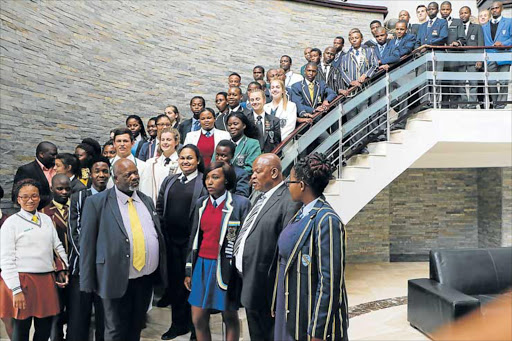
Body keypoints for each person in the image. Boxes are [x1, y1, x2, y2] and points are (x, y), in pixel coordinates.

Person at [80, 158, 167, 341]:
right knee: (115, 329)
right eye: (128, 174)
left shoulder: (146, 200)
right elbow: (87, 244)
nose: (134, 177)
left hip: (145, 279)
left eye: (135, 172)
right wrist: (87, 282)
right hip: (114, 277)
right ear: (115, 178)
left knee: (136, 326)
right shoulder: (96, 203)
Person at [272, 153, 348, 341]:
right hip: (290, 309)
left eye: (290, 182)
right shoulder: (302, 212)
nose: (287, 186)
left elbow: (330, 282)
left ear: (302, 185)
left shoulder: (327, 220)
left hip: (306, 320)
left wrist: (318, 331)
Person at [234, 154, 300, 341]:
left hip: (266, 287)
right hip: (250, 280)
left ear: (273, 172)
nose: (252, 176)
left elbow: (286, 249)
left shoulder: (289, 200)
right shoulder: (260, 197)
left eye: (257, 171)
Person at [185, 161, 251, 341]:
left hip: (225, 266)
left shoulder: (241, 204)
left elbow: (244, 242)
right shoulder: (201, 203)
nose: (209, 182)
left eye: (215, 177)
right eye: (207, 177)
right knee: (198, 318)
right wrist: (189, 270)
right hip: (202, 266)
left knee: (229, 316)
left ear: (227, 180)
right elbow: (193, 238)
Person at [1, 179, 69, 341]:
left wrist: (64, 268)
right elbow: (6, 259)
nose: (30, 200)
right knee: (21, 329)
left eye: (34, 196)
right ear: (18, 199)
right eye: (24, 197)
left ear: (40, 197)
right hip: (22, 281)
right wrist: (16, 290)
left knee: (44, 328)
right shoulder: (11, 223)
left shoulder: (46, 220)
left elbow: (57, 246)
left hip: (46, 280)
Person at [156, 145, 207, 340]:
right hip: (171, 242)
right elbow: (160, 206)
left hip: (192, 244)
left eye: (190, 158)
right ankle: (178, 324)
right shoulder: (170, 181)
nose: (185, 161)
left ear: (198, 161)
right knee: (176, 286)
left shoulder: (203, 183)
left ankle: (196, 329)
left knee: (193, 288)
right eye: (183, 158)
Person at [67, 157, 110, 341]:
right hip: (81, 267)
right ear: (90, 174)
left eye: (105, 171)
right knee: (78, 318)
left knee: (106, 318)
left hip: (107, 268)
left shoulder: (114, 197)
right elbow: (73, 231)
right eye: (97, 171)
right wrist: (89, 260)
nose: (101, 175)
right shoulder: (79, 197)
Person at [40, 173, 71, 341]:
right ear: (52, 189)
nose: (64, 192)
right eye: (60, 188)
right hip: (55, 270)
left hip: (76, 267)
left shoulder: (77, 208)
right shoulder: (44, 213)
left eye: (67, 188)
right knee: (56, 311)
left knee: (75, 311)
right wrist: (59, 267)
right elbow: (46, 246)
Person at [482, 1, 511, 109]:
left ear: (501, 9)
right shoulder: (484, 26)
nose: (494, 10)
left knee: (504, 81)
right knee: (491, 81)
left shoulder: (509, 22)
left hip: (504, 56)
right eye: (492, 8)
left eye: (496, 8)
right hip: (490, 57)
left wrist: (503, 44)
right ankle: (495, 103)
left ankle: (501, 105)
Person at [12, 141, 57, 209]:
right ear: (41, 154)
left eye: (56, 155)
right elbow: (16, 196)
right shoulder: (26, 170)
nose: (55, 157)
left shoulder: (59, 168)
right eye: (53, 155)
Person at [107, 128, 151, 196]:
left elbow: (146, 193)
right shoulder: (108, 165)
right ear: (114, 144)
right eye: (119, 141)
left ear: (132, 143)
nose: (122, 144)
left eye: (125, 141)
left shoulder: (143, 166)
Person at [144, 128, 181, 204]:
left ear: (176, 142)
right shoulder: (150, 163)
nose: (165, 142)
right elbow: (145, 187)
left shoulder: (181, 164)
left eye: (168, 139)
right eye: (163, 140)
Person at [441, 1, 466, 108]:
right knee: (443, 83)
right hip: (441, 58)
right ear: (440, 11)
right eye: (443, 9)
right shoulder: (437, 22)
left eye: (447, 9)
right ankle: (444, 106)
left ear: (450, 10)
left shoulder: (458, 22)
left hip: (454, 57)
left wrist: (457, 43)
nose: (445, 11)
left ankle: (454, 107)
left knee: (454, 83)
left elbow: (462, 39)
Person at [458, 6, 484, 109]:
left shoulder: (477, 27)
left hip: (473, 59)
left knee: (474, 83)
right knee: (461, 83)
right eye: (461, 13)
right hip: (460, 60)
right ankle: (464, 104)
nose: (463, 15)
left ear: (470, 14)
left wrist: (479, 59)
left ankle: (472, 104)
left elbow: (481, 44)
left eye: (465, 13)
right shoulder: (457, 27)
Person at [247, 89, 281, 153]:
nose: (255, 102)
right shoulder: (246, 120)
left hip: (269, 157)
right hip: (251, 157)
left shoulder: (274, 121)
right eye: (252, 100)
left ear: (264, 100)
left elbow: (277, 142)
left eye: (257, 99)